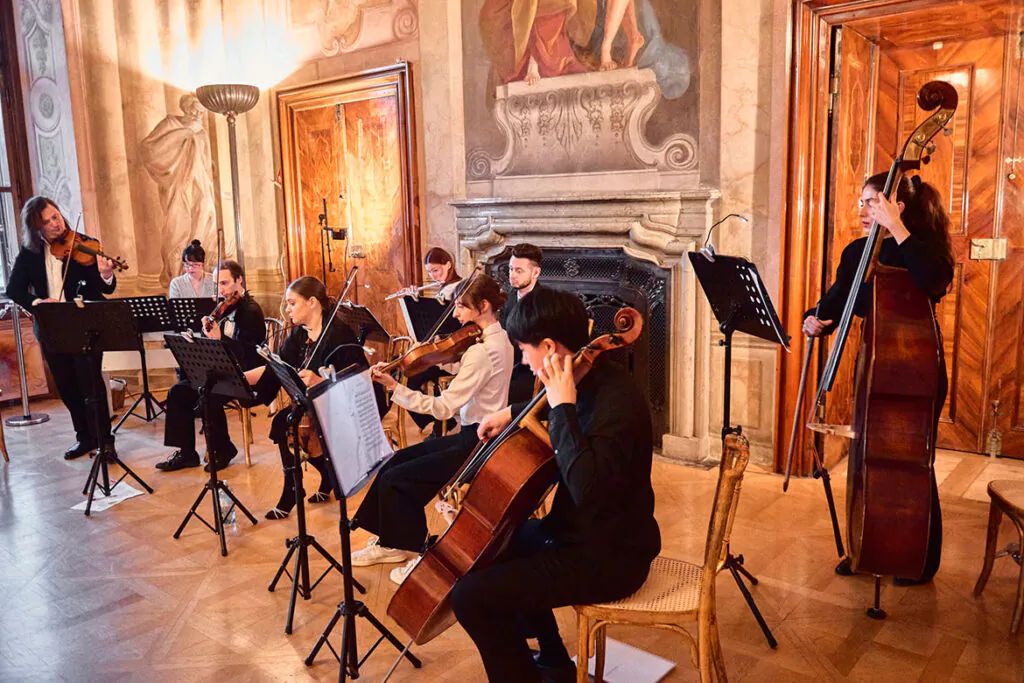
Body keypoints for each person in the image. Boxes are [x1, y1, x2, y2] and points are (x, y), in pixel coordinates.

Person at [451, 286, 660, 682]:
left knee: (471, 598)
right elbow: (576, 413)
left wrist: (559, 405)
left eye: (525, 351)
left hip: (612, 556)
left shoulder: (618, 402)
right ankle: (554, 661)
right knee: (499, 542)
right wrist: (513, 411)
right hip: (577, 533)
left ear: (549, 346)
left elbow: (587, 487)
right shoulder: (589, 376)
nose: (525, 362)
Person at [803, 172, 954, 585]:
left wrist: (898, 231)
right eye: (862, 203)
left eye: (871, 203)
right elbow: (838, 301)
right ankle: (864, 546)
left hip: (917, 368)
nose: (862, 211)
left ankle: (921, 557)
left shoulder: (920, 248)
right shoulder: (856, 253)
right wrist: (815, 318)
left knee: (912, 460)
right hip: (874, 366)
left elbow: (935, 281)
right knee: (865, 456)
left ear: (895, 207)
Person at [350, 274, 513, 585]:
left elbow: (443, 408)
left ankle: (420, 552)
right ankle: (390, 541)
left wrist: (396, 387)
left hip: (476, 443)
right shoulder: (497, 339)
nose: (455, 314)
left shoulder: (481, 351)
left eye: (461, 308)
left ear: (483, 306)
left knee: (398, 479)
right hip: (480, 435)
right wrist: (435, 357)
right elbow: (471, 369)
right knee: (395, 462)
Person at [245, 276, 371, 519]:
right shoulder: (299, 335)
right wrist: (238, 376)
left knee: (285, 423)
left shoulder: (339, 334)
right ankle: (316, 478)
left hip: (344, 405)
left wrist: (321, 381)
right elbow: (274, 368)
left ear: (312, 302)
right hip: (312, 404)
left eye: (292, 303)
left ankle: (298, 487)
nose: (288, 310)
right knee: (284, 421)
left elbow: (361, 380)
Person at [6, 196, 119, 460]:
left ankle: (105, 441)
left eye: (55, 216)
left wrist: (105, 274)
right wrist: (37, 302)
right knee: (67, 387)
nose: (55, 225)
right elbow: (14, 289)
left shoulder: (83, 244)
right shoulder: (30, 253)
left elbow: (105, 288)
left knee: (91, 386)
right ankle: (85, 438)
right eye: (47, 222)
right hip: (51, 329)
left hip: (84, 325)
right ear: (37, 229)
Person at [155, 260, 265, 472]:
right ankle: (186, 453)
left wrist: (220, 337)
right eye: (217, 285)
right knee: (178, 391)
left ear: (239, 280)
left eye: (225, 283)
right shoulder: (223, 308)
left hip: (245, 375)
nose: (221, 290)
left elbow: (249, 354)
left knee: (209, 393)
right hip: (222, 370)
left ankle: (223, 449)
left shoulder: (250, 311)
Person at [398, 247, 464, 438]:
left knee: (408, 376)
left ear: (448, 264)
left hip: (452, 355)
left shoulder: (459, 289)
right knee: (403, 369)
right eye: (430, 272)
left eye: (436, 270)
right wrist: (413, 301)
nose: (434, 276)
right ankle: (439, 421)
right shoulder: (443, 289)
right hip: (441, 352)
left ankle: (440, 421)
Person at [502, 243, 544, 404]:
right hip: (508, 364)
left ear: (535, 272)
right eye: (511, 269)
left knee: (501, 394)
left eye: (519, 271)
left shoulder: (543, 302)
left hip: (530, 371)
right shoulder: (509, 297)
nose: (512, 275)